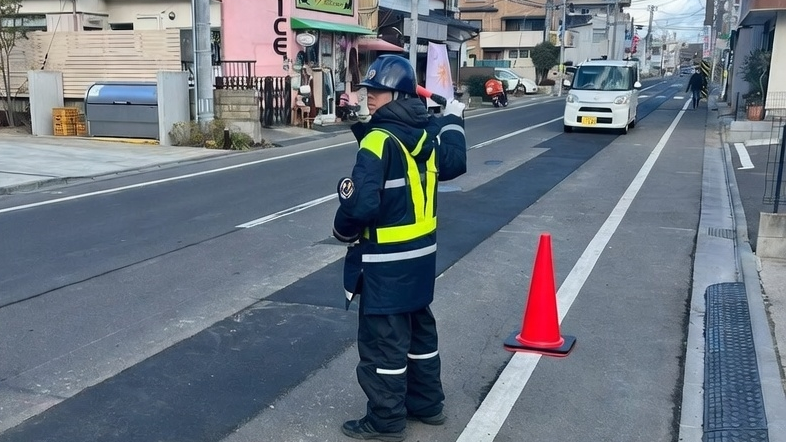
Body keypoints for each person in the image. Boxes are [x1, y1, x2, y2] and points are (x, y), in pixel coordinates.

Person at [332, 54, 467, 441]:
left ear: (397, 93)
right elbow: (453, 162)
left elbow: (362, 204)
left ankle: (386, 421)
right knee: (420, 335)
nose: (369, 97)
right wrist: (453, 119)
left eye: (377, 91)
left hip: (385, 267)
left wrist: (341, 228)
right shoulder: (425, 134)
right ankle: (427, 406)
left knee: (382, 349)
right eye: (368, 90)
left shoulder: (378, 140)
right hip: (422, 261)